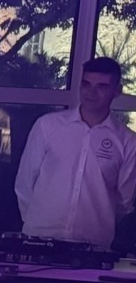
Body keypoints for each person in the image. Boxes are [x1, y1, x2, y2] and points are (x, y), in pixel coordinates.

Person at [15, 56, 136, 249]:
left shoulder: (127, 141)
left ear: (117, 91)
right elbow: (25, 182)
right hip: (39, 239)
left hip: (93, 245)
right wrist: (38, 223)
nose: (91, 93)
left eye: (101, 87)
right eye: (86, 84)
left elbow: (123, 201)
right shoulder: (47, 126)